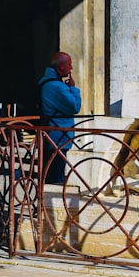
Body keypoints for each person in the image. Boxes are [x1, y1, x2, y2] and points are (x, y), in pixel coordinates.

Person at [37, 51, 82, 184]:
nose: (71, 68)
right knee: (55, 176)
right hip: (58, 135)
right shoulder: (56, 87)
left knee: (52, 172)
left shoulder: (48, 83)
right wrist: (73, 89)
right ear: (61, 67)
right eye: (69, 64)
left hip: (54, 134)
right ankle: (50, 203)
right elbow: (75, 107)